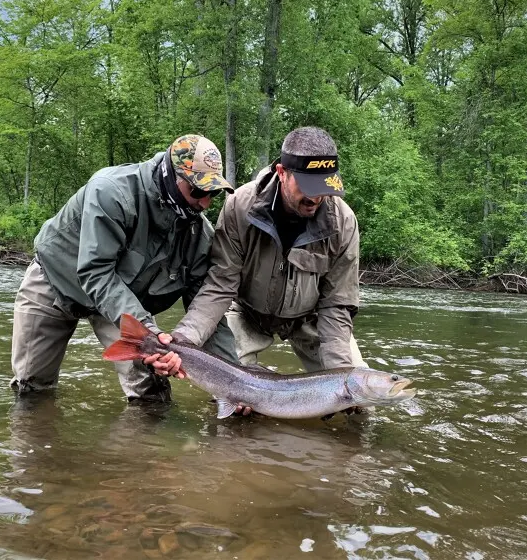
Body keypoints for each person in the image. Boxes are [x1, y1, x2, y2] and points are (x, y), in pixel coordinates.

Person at [10, 134, 236, 402]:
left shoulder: (199, 237)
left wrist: (236, 384)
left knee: (152, 393)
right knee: (32, 390)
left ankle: (142, 443)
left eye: (213, 193)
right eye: (198, 191)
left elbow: (207, 310)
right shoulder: (111, 193)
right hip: (56, 282)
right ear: (169, 175)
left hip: (122, 303)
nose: (205, 203)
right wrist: (149, 331)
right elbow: (96, 273)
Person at [150, 126, 367, 395]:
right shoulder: (240, 206)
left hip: (311, 320)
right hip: (247, 313)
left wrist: (340, 381)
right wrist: (182, 342)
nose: (316, 197)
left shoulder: (343, 222)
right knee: (230, 393)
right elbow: (220, 285)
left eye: (324, 186)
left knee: (358, 395)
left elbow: (336, 306)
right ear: (282, 173)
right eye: (308, 186)